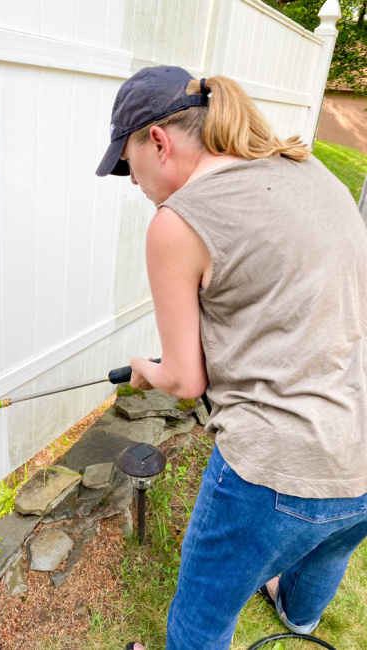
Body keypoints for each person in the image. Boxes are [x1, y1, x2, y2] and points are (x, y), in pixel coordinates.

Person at [95, 65, 367, 650]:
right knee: (329, 545)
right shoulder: (308, 168)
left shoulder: (178, 222)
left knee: (203, 614)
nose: (133, 180)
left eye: (128, 164)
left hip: (279, 467)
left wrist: (145, 372)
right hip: (361, 448)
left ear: (159, 142)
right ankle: (298, 616)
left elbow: (185, 380)